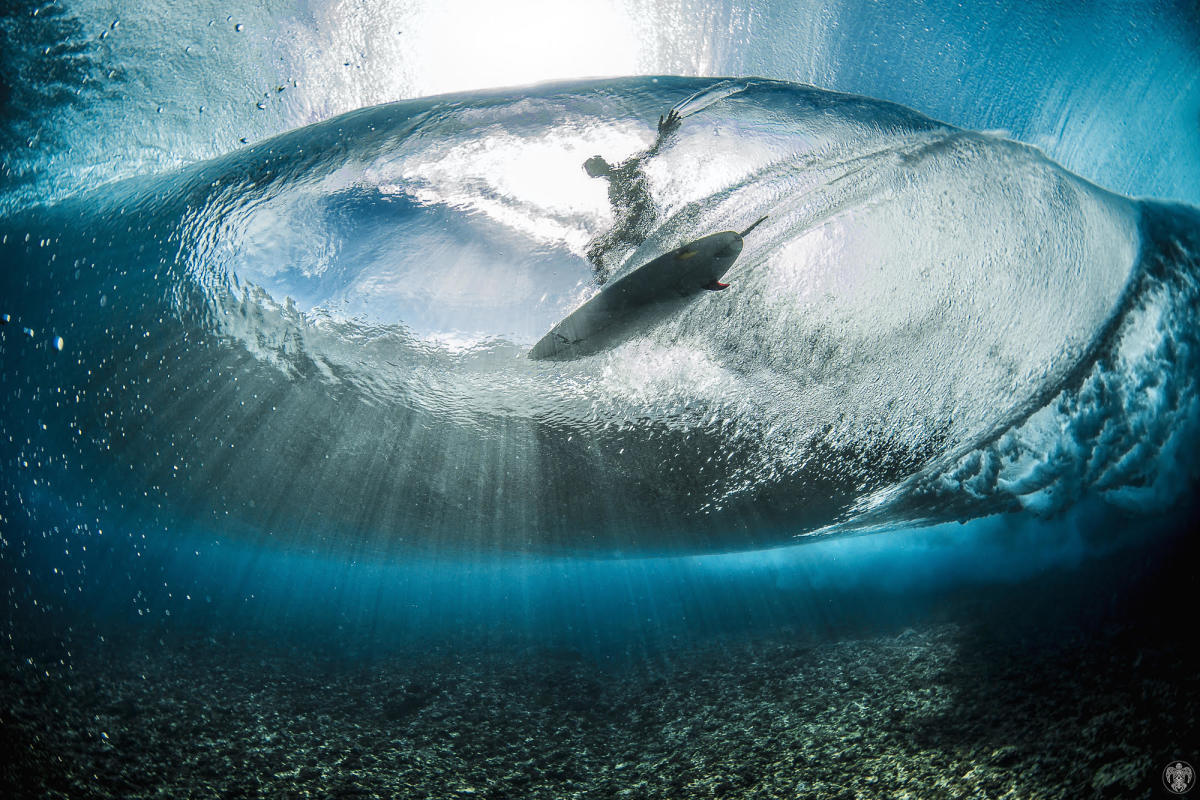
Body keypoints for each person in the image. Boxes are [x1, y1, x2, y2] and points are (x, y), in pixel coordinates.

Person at [583, 109, 682, 283]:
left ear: (602, 162)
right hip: (631, 227)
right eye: (590, 170)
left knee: (594, 251)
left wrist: (663, 134)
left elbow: (653, 151)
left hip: (643, 221)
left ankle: (678, 257)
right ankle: (607, 285)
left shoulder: (627, 167)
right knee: (593, 252)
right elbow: (621, 214)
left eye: (592, 165)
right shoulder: (611, 186)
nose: (592, 171)